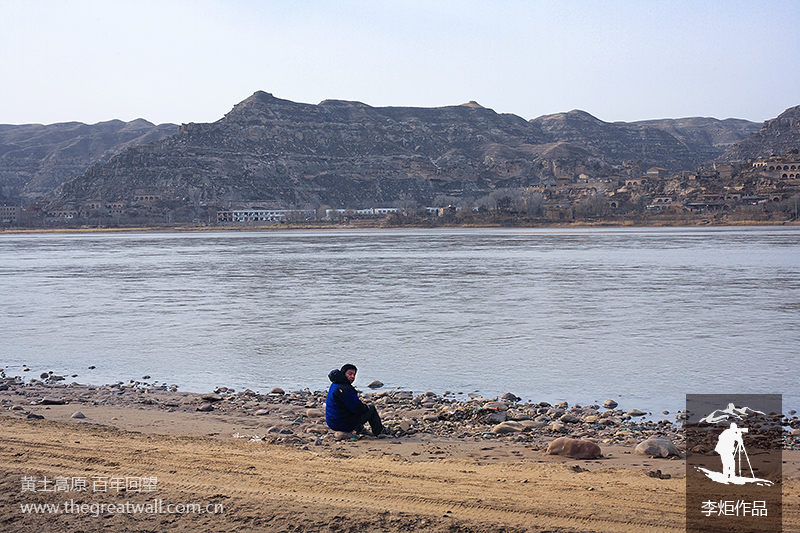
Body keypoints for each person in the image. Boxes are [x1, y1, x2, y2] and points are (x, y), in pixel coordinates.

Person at [325, 364, 385, 436]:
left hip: (331, 422)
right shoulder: (345, 388)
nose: (352, 377)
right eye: (350, 374)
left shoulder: (335, 384)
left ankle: (360, 429)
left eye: (354, 375)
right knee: (371, 408)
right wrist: (365, 407)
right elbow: (357, 408)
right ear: (344, 373)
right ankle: (380, 431)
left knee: (348, 409)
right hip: (342, 424)